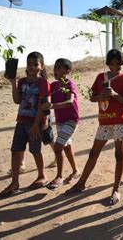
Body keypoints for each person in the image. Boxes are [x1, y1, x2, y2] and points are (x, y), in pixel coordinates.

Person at [66, 49, 123, 205]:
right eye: (112, 63)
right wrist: (100, 96)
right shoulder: (100, 78)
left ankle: (116, 189)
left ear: (121, 64)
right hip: (104, 121)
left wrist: (115, 95)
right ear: (107, 63)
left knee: (119, 155)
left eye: (117, 64)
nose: (114, 66)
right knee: (93, 153)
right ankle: (81, 183)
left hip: (120, 121)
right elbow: (92, 97)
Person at [0, 51, 50, 197]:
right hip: (21, 121)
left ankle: (42, 175)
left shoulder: (43, 83)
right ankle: (14, 182)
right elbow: (17, 100)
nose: (32, 67)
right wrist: (13, 82)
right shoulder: (22, 82)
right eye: (29, 64)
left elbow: (42, 105)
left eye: (36, 64)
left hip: (35, 123)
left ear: (41, 66)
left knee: (35, 150)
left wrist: (36, 125)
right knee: (16, 151)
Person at [41, 58, 81, 191]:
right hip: (60, 121)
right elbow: (46, 95)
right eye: (55, 67)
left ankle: (59, 176)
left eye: (59, 68)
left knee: (58, 148)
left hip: (71, 120)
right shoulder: (53, 86)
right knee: (66, 146)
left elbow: (70, 102)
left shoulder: (70, 84)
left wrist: (52, 105)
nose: (55, 70)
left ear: (67, 71)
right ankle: (75, 171)